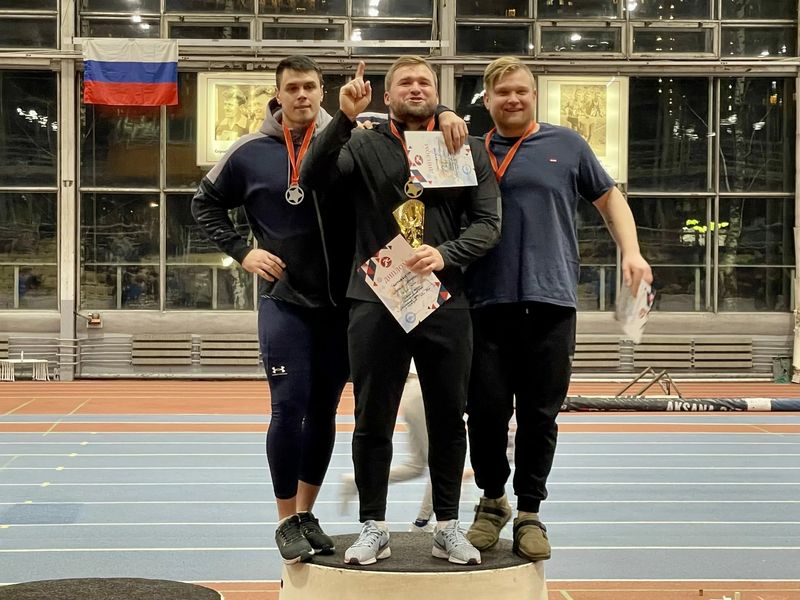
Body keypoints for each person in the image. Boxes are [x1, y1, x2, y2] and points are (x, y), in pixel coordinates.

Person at [301, 56, 501, 566]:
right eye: (405, 82)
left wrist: (446, 253)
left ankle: (447, 526)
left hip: (445, 298)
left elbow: (488, 223)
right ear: (386, 96)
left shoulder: (464, 146)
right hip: (376, 297)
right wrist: (343, 117)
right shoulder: (361, 143)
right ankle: (373, 526)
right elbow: (313, 176)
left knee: (449, 418)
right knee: (372, 418)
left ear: (437, 92)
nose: (416, 88)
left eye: (425, 82)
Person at [464, 56, 653, 563]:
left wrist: (631, 252)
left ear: (534, 95)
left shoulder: (567, 145)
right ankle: (491, 503)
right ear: (487, 100)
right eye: (503, 92)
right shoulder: (469, 150)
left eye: (521, 90)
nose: (513, 99)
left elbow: (610, 199)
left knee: (539, 416)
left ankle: (529, 512)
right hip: (482, 303)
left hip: (550, 300)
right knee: (484, 414)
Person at [192, 55, 353, 565]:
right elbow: (203, 204)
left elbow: (408, 122)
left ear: (322, 92)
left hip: (342, 305)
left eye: (310, 87)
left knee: (325, 411)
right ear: (277, 95)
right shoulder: (249, 152)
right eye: (293, 87)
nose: (302, 95)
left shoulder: (351, 139)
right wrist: (242, 251)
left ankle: (307, 514)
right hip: (285, 300)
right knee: (288, 407)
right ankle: (285, 519)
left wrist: (446, 113)